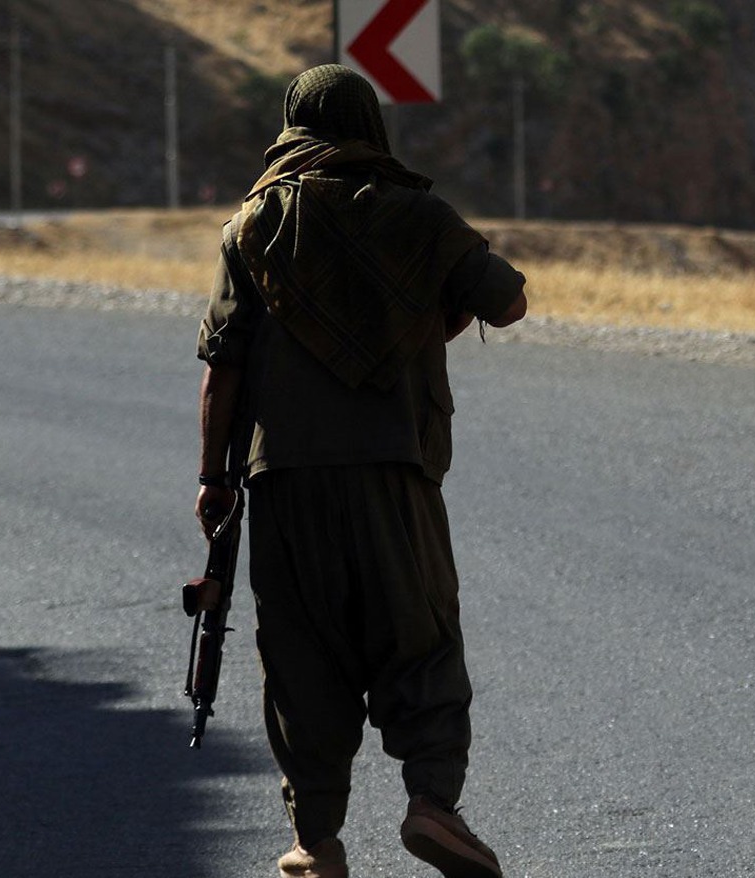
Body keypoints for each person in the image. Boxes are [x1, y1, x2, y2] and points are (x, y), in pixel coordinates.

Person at [194, 65, 528, 877]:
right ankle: (432, 806)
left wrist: (213, 479)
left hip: (285, 482)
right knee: (420, 636)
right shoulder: (419, 215)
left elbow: (222, 366)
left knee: (301, 656)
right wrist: (425, 321)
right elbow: (507, 299)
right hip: (394, 473)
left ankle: (316, 842)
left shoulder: (253, 227)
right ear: (369, 124)